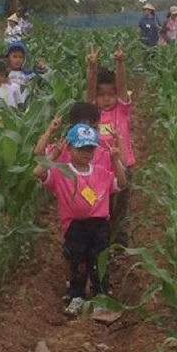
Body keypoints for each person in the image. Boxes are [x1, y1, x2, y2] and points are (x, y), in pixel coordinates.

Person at [36, 124, 127, 316]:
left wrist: (115, 159)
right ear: (70, 149)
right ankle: (77, 295)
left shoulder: (101, 172)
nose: (86, 153)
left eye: (90, 148)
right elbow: (38, 172)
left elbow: (121, 182)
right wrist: (53, 155)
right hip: (75, 226)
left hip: (99, 225)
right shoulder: (62, 172)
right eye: (81, 148)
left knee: (99, 260)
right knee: (78, 261)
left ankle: (100, 295)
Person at [86, 44, 135, 246]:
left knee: (121, 205)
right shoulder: (92, 113)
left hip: (123, 166)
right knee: (100, 204)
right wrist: (92, 68)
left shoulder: (121, 111)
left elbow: (122, 87)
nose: (106, 99)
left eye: (110, 94)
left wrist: (120, 63)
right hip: (99, 168)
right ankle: (102, 238)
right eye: (102, 95)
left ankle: (119, 240)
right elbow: (89, 92)